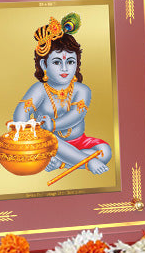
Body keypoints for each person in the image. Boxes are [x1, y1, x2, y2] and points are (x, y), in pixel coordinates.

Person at [12, 12, 112, 176]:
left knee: (105, 151)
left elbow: (76, 116)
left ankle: (62, 162)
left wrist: (53, 125)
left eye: (70, 62)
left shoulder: (82, 90)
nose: (65, 68)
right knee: (48, 139)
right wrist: (29, 131)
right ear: (44, 64)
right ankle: (86, 162)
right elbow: (20, 113)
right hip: (48, 143)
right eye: (57, 62)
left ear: (77, 63)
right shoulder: (39, 89)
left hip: (78, 142)